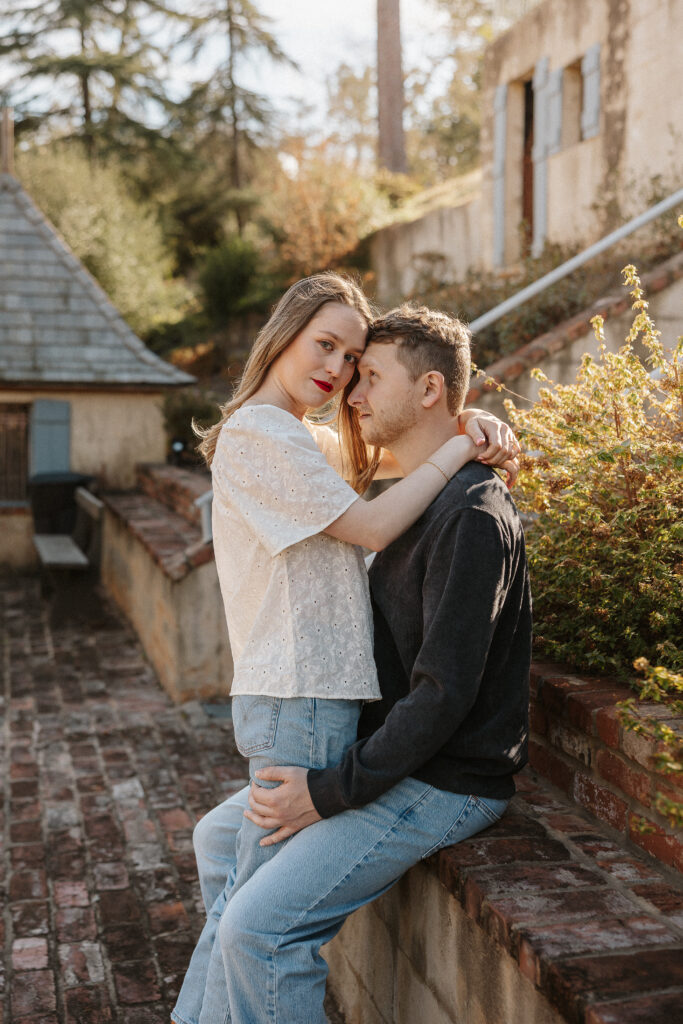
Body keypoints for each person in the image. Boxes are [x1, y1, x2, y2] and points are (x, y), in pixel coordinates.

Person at [172, 277, 519, 1024]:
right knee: (243, 909)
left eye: (360, 364)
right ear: (286, 333)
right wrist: (460, 434)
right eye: (327, 348)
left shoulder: (317, 444)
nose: (346, 382)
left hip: (399, 749)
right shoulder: (268, 435)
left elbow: (442, 687)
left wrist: (468, 424)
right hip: (301, 700)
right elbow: (369, 519)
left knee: (247, 916)